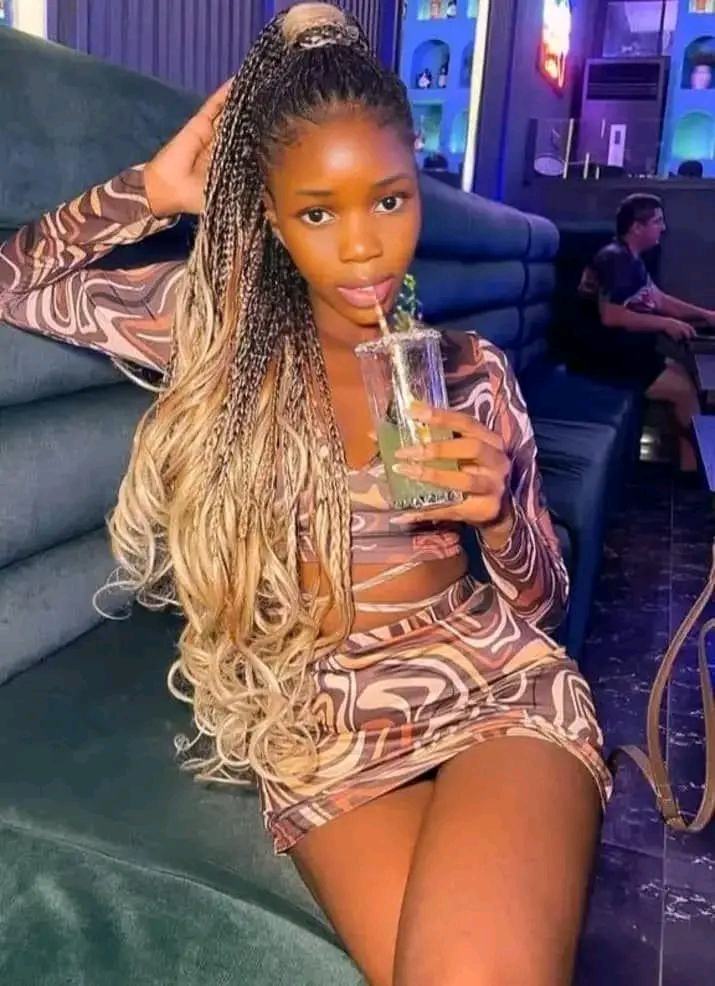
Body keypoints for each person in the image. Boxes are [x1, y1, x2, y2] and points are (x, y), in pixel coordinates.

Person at [0, 5, 610, 984]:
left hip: (491, 679)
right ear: (275, 221)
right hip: (316, 713)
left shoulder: (467, 369)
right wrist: (151, 189)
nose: (363, 247)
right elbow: (16, 280)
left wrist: (499, 514)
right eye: (318, 212)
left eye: (389, 200)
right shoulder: (214, 339)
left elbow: (538, 604)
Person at [577, 193, 710, 472]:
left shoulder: (630, 258)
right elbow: (612, 316)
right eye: (657, 222)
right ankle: (694, 477)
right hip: (600, 357)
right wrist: (666, 324)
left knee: (683, 374)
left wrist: (706, 315)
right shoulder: (616, 259)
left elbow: (658, 300)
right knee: (684, 391)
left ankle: (690, 468)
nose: (664, 228)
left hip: (619, 351)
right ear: (637, 227)